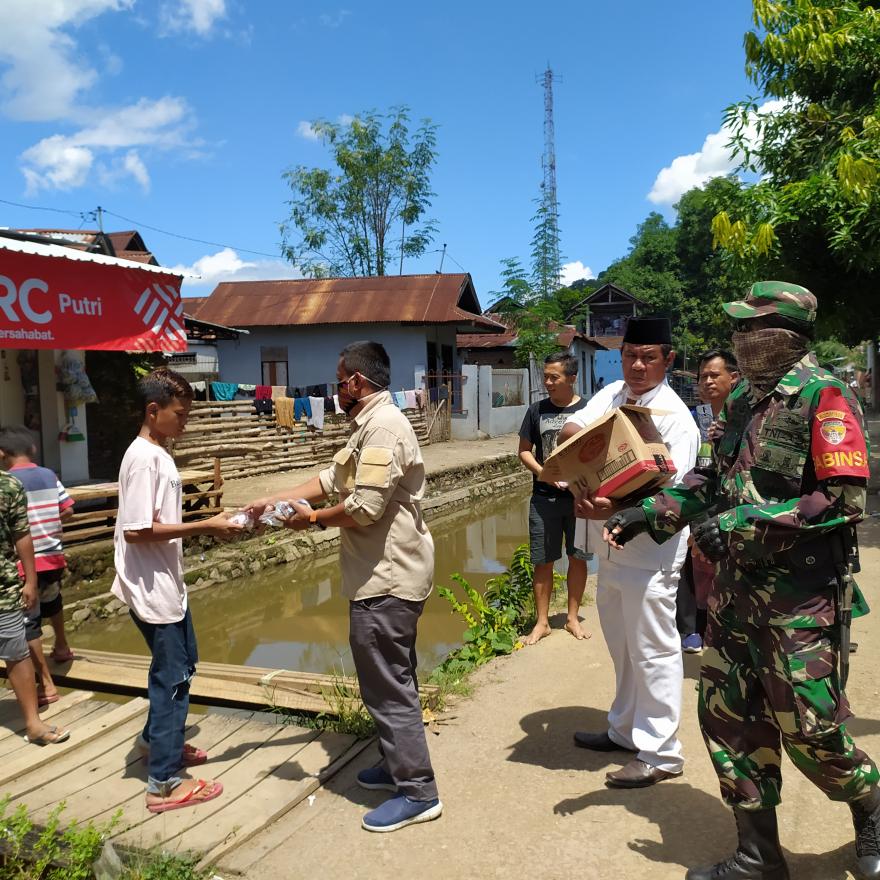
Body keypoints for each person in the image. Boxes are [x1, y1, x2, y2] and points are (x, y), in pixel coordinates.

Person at [603, 282, 880, 880]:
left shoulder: (822, 396)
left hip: (798, 602)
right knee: (729, 721)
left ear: (782, 335)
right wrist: (647, 513)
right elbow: (708, 478)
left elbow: (842, 499)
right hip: (733, 597)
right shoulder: (741, 406)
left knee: (811, 730)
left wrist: (740, 524)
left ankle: (872, 806)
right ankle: (758, 855)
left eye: (748, 330)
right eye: (738, 330)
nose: (738, 340)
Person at [245, 341, 442, 833]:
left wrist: (311, 521)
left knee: (388, 686)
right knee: (389, 679)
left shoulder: (384, 428)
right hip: (379, 576)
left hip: (388, 579)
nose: (337, 389)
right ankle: (396, 766)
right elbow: (331, 478)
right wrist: (273, 499)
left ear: (356, 382)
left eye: (340, 380)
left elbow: (363, 508)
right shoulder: (368, 426)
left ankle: (418, 792)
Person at [557, 316, 699, 788]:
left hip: (651, 553)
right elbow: (575, 424)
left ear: (668, 359)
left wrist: (613, 506)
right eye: (630, 355)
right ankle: (624, 730)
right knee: (622, 647)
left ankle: (661, 753)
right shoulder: (616, 395)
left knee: (654, 650)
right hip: (611, 549)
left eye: (649, 357)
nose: (637, 365)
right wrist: (573, 444)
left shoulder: (677, 419)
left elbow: (672, 497)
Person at [111, 368, 243, 814]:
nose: (185, 422)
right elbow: (137, 529)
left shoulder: (160, 453)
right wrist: (207, 524)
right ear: (154, 411)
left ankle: (157, 741)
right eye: (180, 414)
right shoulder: (144, 458)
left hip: (167, 584)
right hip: (152, 589)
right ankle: (163, 783)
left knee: (183, 666)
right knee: (173, 681)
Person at [518, 351, 591, 644]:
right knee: (543, 560)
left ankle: (573, 618)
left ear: (571, 378)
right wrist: (544, 472)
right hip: (544, 497)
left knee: (578, 557)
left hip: (581, 498)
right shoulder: (536, 410)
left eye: (554, 377)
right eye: (545, 377)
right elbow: (524, 450)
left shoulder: (590, 410)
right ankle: (542, 622)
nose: (547, 382)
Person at [0, 426, 76, 708]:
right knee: (53, 599)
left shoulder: (7, 482)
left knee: (27, 621)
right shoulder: (48, 475)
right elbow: (67, 509)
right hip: (54, 555)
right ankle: (62, 646)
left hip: (25, 563)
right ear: (32, 450)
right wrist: (50, 524)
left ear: (2, 454)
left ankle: (46, 683)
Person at [676, 350, 739, 654]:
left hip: (733, 506)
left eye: (715, 375)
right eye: (703, 376)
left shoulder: (747, 418)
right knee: (692, 564)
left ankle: (723, 629)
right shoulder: (693, 418)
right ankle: (692, 628)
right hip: (699, 503)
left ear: (734, 378)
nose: (708, 381)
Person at [0, 468, 69, 744]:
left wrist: (30, 581)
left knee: (17, 652)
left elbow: (22, 534)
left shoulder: (8, 485)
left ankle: (33, 722)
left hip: (3, 586)